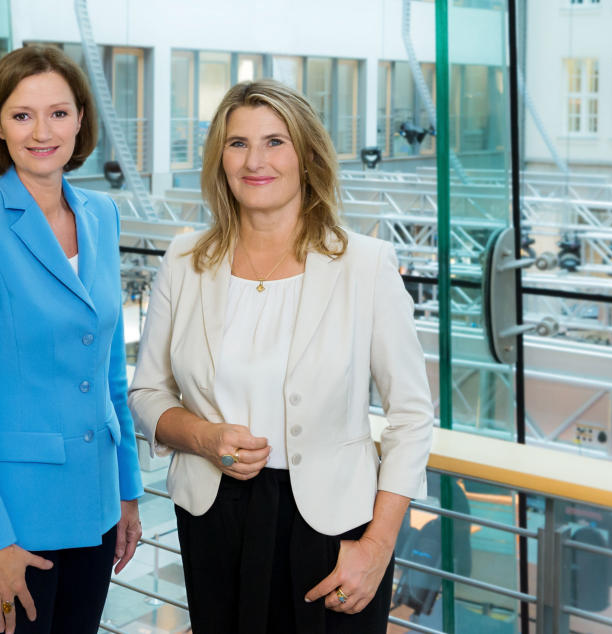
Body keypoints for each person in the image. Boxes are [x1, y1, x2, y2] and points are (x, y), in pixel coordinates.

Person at [128, 79, 433, 634]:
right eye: (237, 143)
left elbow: (411, 417)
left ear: (308, 156)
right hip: (215, 519)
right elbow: (147, 394)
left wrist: (377, 547)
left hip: (335, 527)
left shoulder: (365, 266)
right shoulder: (184, 260)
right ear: (220, 159)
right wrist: (203, 438)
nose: (255, 161)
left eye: (275, 141)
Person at [0, 45, 144, 634]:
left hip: (94, 512)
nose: (42, 131)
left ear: (81, 119)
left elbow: (108, 370)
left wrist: (127, 490)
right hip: (8, 526)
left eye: (58, 113)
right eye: (22, 115)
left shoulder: (101, 215)